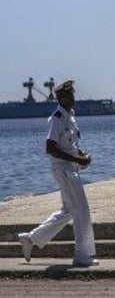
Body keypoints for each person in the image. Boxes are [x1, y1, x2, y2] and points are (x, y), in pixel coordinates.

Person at [18, 79, 98, 267]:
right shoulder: (57, 118)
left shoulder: (70, 116)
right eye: (68, 95)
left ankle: (30, 239)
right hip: (63, 170)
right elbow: (51, 148)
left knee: (68, 211)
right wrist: (78, 160)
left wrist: (82, 155)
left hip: (71, 168)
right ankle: (82, 256)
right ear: (59, 97)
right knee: (81, 210)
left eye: (72, 94)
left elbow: (68, 146)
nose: (72, 97)